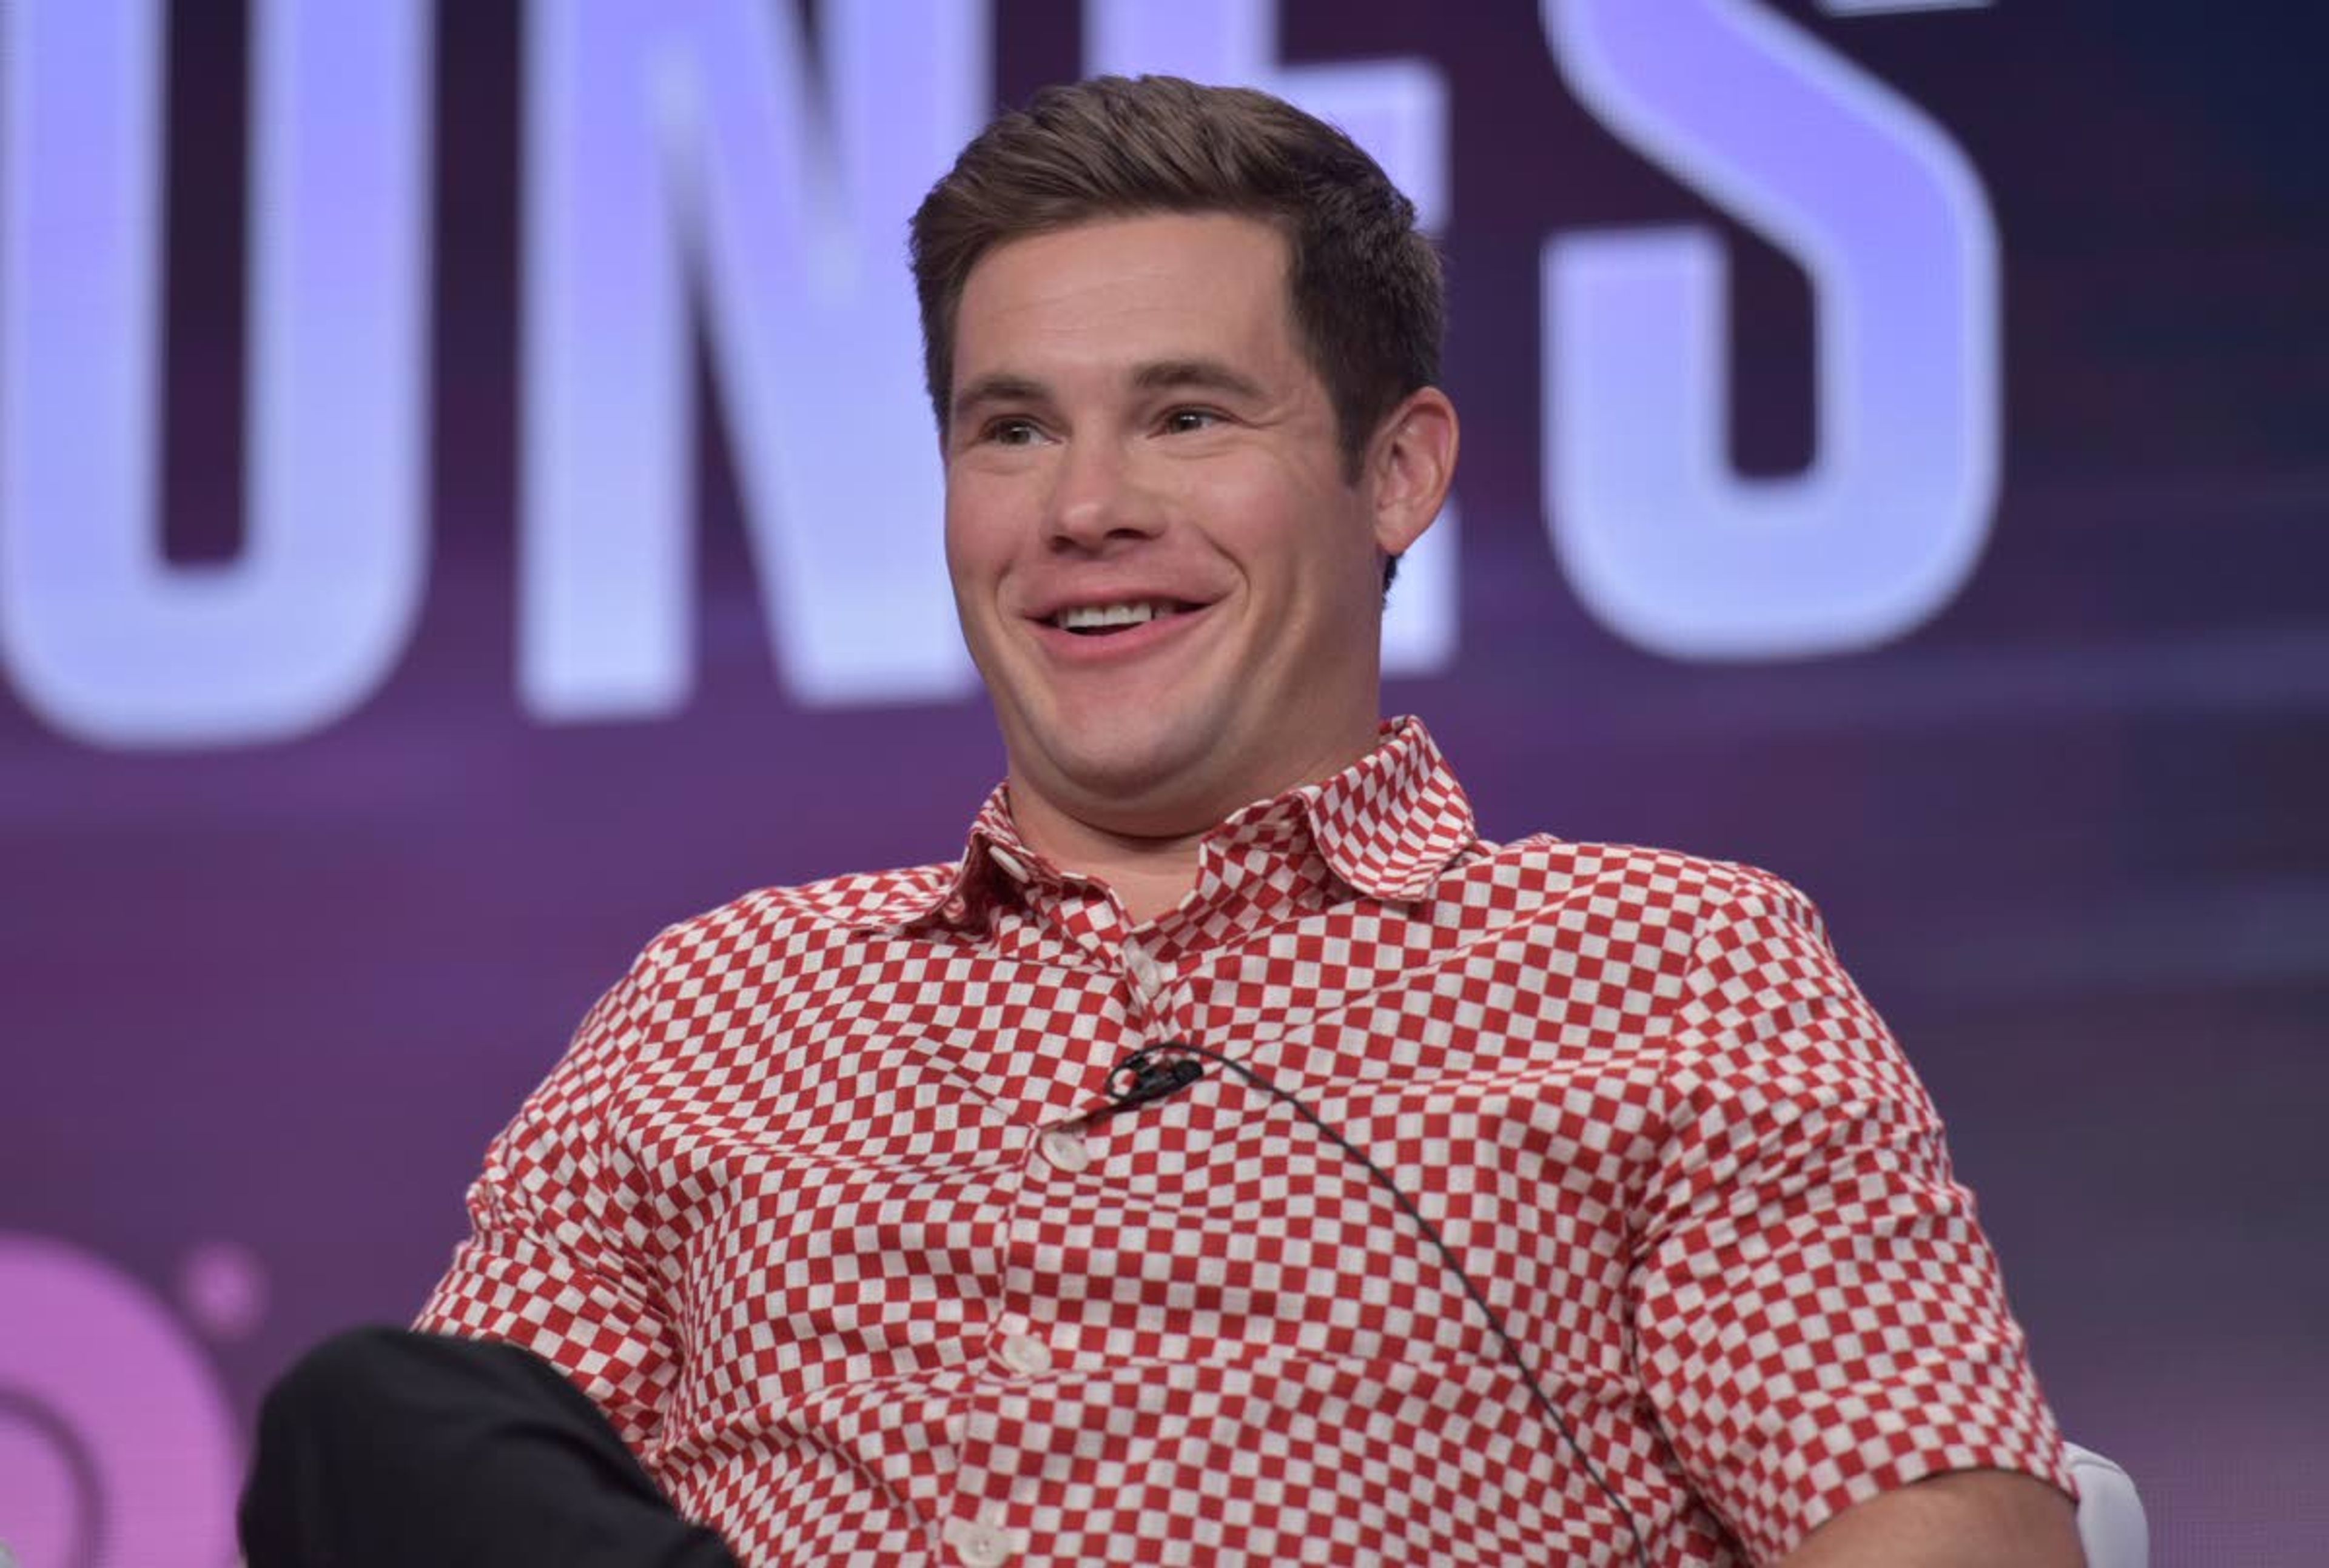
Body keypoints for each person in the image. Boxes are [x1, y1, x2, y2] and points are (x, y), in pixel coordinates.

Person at [242, 75, 2082, 1566]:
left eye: (1188, 416)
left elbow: (1954, 1540)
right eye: (1014, 431)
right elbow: (454, 1498)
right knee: (376, 1414)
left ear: (1398, 470)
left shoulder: (1671, 964)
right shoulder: (720, 1000)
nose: (1086, 508)